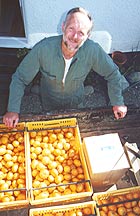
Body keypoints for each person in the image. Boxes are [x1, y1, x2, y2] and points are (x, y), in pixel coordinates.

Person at [3, 7, 127, 128]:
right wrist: (12, 110)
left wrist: (117, 102)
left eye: (81, 33)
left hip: (76, 103)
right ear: (63, 27)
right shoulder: (43, 48)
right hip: (49, 103)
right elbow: (20, 77)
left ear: (88, 36)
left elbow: (113, 74)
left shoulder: (93, 51)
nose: (74, 37)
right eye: (71, 29)